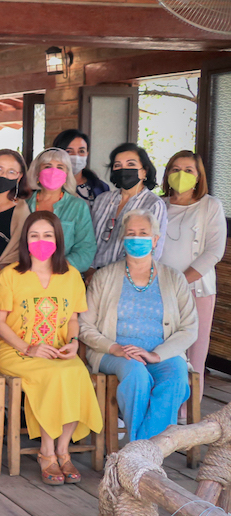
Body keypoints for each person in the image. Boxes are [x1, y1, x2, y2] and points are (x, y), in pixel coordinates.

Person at [0, 211, 102, 485]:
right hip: (15, 350)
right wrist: (28, 348)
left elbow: (74, 319)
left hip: (57, 348)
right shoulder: (10, 275)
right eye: (34, 235)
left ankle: (63, 450)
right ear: (25, 240)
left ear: (58, 239)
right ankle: (46, 450)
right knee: (51, 375)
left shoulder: (71, 275)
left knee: (76, 372)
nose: (40, 241)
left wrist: (73, 344)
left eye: (47, 235)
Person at [79, 210, 197, 442]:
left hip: (161, 353)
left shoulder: (174, 278)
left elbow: (189, 328)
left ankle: (141, 449)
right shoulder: (104, 277)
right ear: (123, 239)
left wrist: (156, 354)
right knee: (137, 376)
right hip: (114, 353)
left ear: (155, 239)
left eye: (143, 233)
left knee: (176, 379)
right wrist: (115, 348)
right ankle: (148, 450)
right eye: (131, 233)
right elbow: (85, 325)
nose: (136, 238)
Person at [159, 151, 226, 398]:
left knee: (195, 351)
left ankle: (189, 409)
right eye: (175, 169)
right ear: (167, 173)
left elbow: (214, 251)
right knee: (163, 349)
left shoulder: (210, 205)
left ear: (199, 177)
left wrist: (180, 281)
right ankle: (164, 404)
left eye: (188, 170)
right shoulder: (158, 204)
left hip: (196, 290)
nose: (181, 175)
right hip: (159, 288)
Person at [93, 143, 168, 270]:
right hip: (91, 275)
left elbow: (153, 251)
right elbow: (88, 239)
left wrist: (115, 275)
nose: (123, 170)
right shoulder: (102, 200)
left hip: (126, 275)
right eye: (118, 165)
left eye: (131, 164)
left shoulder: (154, 204)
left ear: (144, 171)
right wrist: (89, 269)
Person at [25, 147, 96, 273]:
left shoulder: (77, 206)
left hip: (63, 274)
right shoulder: (24, 204)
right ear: (37, 172)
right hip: (25, 273)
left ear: (67, 174)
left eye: (60, 167)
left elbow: (86, 248)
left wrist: (57, 267)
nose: (53, 171)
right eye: (47, 166)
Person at [0, 149, 32, 275]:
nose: (3, 175)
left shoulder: (20, 211)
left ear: (19, 177)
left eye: (11, 172)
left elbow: (21, 252)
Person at [53, 129, 109, 206]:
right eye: (69, 151)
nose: (76, 156)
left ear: (87, 154)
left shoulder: (100, 187)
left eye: (81, 151)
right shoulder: (48, 185)